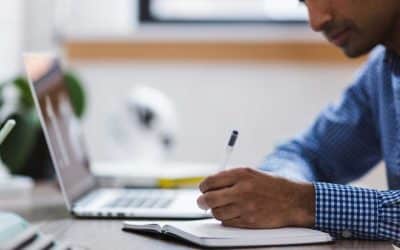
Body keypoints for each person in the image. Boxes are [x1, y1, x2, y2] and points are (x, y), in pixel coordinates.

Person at [197, 0, 400, 243]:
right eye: (303, 2)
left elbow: (300, 195)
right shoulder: (382, 70)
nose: (316, 22)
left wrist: (302, 202)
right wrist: (273, 190)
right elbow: (309, 153)